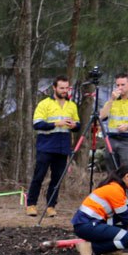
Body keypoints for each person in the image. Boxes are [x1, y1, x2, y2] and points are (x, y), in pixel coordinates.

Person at [70, 163, 128, 255]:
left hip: (89, 223)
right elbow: (127, 217)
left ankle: (110, 250)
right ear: (127, 177)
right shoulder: (115, 190)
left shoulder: (117, 188)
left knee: (121, 222)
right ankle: (90, 248)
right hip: (87, 225)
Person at [27, 77, 79, 217]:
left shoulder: (72, 105)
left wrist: (74, 125)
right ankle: (31, 204)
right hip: (46, 146)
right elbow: (37, 124)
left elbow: (77, 125)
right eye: (61, 88)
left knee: (57, 179)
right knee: (39, 176)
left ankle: (51, 206)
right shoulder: (44, 104)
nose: (64, 91)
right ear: (54, 88)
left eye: (67, 88)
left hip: (63, 147)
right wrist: (57, 123)